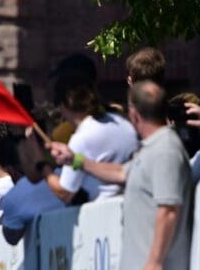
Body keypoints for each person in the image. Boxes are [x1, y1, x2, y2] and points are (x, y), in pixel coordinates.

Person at [49, 80, 191, 270]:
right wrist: (75, 159)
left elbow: (168, 208)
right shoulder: (149, 150)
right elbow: (120, 173)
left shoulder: (165, 150)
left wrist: (154, 261)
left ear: (134, 114)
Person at [45, 71, 138, 203]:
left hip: (100, 213)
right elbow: (81, 162)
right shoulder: (123, 123)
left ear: (63, 105)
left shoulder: (80, 139)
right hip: (134, 203)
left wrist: (44, 169)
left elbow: (65, 192)